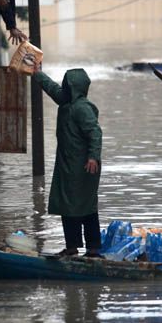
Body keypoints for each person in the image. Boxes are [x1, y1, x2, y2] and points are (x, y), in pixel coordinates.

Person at [32, 64, 103, 258]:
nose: (63, 89)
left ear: (74, 88)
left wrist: (93, 157)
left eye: (67, 86)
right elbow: (53, 89)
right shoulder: (66, 102)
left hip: (84, 166)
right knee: (67, 205)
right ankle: (71, 247)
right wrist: (37, 73)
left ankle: (93, 249)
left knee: (86, 205)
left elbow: (95, 133)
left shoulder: (81, 108)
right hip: (68, 165)